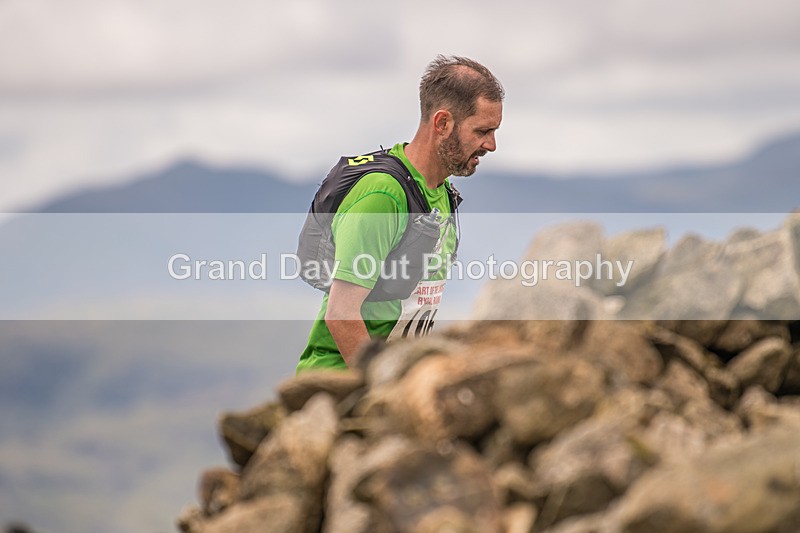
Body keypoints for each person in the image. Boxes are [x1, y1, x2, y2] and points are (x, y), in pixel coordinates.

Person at [296, 55, 504, 372]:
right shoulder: (383, 196)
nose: (491, 145)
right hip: (341, 381)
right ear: (442, 123)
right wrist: (382, 386)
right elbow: (341, 313)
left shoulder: (440, 193)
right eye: (482, 131)